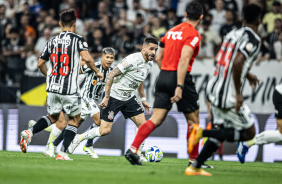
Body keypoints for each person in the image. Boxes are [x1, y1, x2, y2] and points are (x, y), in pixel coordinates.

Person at [124, 2, 206, 166]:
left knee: (155, 119)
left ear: (185, 15)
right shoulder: (194, 34)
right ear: (201, 17)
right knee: (193, 121)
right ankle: (194, 161)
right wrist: (179, 85)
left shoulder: (170, 32)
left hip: (163, 76)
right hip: (179, 78)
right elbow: (184, 59)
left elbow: (158, 58)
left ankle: (133, 149)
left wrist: (167, 74)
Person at [186, 4, 262, 176]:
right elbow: (237, 62)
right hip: (227, 92)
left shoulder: (232, 33)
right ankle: (200, 132)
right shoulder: (254, 40)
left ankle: (195, 166)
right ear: (259, 19)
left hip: (213, 86)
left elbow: (227, 59)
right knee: (250, 133)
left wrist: (247, 74)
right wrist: (237, 93)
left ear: (242, 19)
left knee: (219, 131)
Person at [19, 10, 103, 161]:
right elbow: (87, 58)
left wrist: (49, 76)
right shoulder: (78, 39)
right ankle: (63, 153)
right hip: (69, 88)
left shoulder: (51, 41)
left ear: (59, 24)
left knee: (53, 117)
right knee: (75, 120)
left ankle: (30, 132)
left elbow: (40, 64)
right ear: (75, 23)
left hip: (53, 87)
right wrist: (97, 71)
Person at [67, 37, 158, 163]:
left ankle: (137, 153)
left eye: (156, 50)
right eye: (151, 49)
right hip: (114, 96)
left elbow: (139, 80)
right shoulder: (132, 59)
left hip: (129, 97)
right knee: (105, 130)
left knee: (144, 126)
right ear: (144, 48)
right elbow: (110, 75)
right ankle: (79, 138)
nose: (154, 52)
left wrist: (143, 99)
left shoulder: (149, 63)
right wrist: (107, 96)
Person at [43, 47, 116, 158]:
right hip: (85, 98)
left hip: (95, 101)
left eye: (111, 58)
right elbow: (76, 71)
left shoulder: (113, 71)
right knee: (100, 121)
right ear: (102, 57)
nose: (109, 60)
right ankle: (88, 144)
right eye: (107, 57)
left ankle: (53, 145)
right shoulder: (93, 66)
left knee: (74, 125)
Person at [237, 82, 282, 163]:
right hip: (280, 94)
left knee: (281, 134)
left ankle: (247, 143)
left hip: (279, 93)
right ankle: (247, 143)